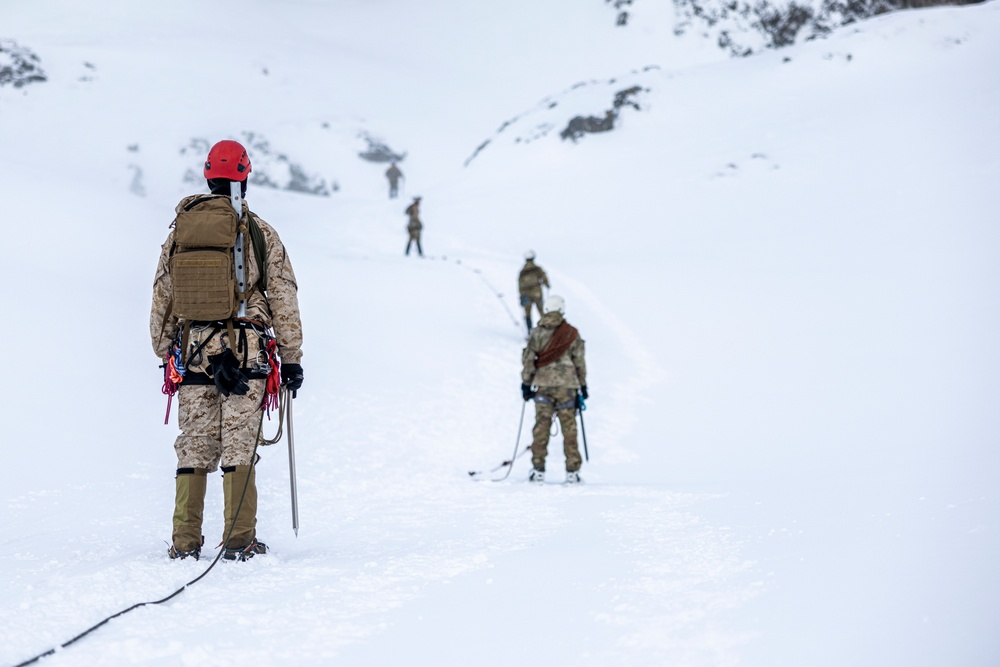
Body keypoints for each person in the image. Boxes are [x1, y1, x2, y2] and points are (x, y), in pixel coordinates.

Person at [150, 139, 305, 561]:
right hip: (246, 349)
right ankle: (239, 540)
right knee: (239, 444)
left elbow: (163, 293)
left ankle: (185, 542)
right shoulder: (259, 231)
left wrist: (165, 350)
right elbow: (283, 295)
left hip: (195, 349)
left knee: (195, 443)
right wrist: (291, 357)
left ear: (207, 176)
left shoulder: (180, 230)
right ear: (245, 176)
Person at [520, 295, 588, 484]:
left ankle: (538, 469)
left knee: (541, 427)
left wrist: (526, 383)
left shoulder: (537, 333)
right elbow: (579, 361)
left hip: (543, 386)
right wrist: (583, 385)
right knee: (569, 429)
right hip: (568, 387)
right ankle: (572, 472)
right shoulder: (571, 333)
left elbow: (528, 360)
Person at [518, 250, 550, 334]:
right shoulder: (537, 269)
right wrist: (547, 284)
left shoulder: (522, 271)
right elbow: (544, 278)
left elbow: (520, 285)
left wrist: (521, 297)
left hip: (526, 295)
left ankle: (530, 331)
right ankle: (546, 330)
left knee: (528, 314)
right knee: (541, 312)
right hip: (537, 293)